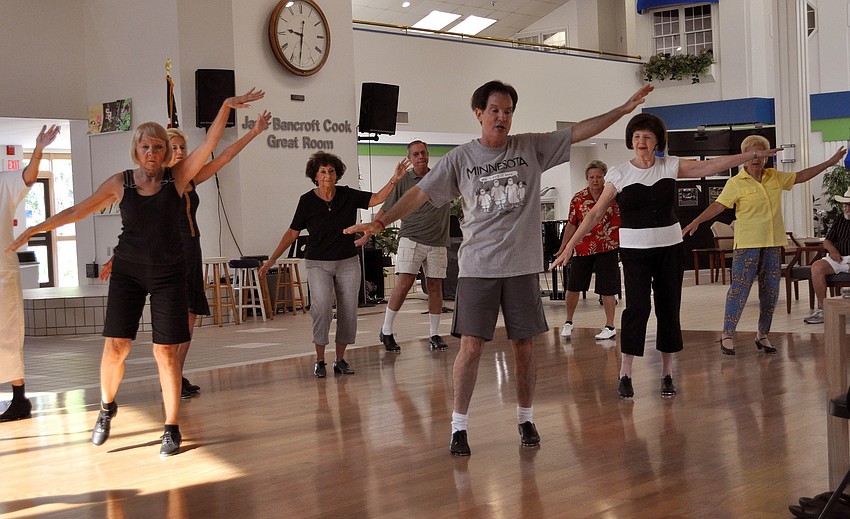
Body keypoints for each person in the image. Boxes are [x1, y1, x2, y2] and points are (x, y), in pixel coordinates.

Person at [346, 80, 655, 456]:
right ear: (479, 113)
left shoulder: (530, 146)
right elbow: (419, 194)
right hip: (479, 268)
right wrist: (381, 221)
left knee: (525, 346)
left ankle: (525, 417)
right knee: (472, 347)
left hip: (521, 268)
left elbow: (577, 132)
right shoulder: (460, 158)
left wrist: (622, 111)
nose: (502, 118)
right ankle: (459, 425)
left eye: (508, 111)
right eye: (495, 110)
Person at [6, 89, 265, 456]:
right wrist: (34, 229)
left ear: (165, 153)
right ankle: (105, 409)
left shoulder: (177, 180)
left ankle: (171, 428)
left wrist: (223, 107)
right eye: (145, 147)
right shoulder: (120, 182)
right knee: (117, 346)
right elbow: (79, 211)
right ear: (136, 151)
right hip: (128, 272)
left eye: (158, 148)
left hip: (168, 273)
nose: (152, 154)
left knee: (166, 353)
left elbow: (211, 146)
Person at [554, 114, 782, 400]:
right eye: (637, 137)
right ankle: (625, 372)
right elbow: (595, 213)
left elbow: (711, 165)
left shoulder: (670, 166)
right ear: (631, 141)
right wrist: (569, 247)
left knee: (668, 308)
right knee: (636, 308)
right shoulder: (619, 173)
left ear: (656, 141)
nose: (641, 142)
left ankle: (668, 373)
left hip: (669, 248)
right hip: (635, 251)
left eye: (647, 137)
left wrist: (751, 154)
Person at [101, 111, 272, 399]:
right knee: (178, 318)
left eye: (182, 147)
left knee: (190, 318)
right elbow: (138, 226)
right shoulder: (154, 184)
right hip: (171, 252)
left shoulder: (186, 180)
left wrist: (254, 133)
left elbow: (224, 157)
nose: (179, 152)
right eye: (175, 147)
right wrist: (119, 257)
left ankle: (175, 375)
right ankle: (172, 379)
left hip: (192, 249)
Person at [683, 137, 846, 351]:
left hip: (772, 243)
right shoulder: (736, 183)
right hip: (747, 245)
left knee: (770, 292)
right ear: (745, 157)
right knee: (739, 290)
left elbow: (801, 176)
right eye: (753, 155)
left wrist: (829, 162)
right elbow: (718, 206)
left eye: (761, 155)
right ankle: (727, 334)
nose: (757, 159)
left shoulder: (775, 177)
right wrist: (697, 220)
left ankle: (762, 334)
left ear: (767, 157)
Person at [258, 152, 408, 379]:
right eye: (323, 172)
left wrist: (394, 179)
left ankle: (339, 359)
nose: (327, 175)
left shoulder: (347, 195)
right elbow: (292, 232)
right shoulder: (307, 201)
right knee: (323, 308)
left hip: (347, 261)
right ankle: (320, 360)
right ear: (315, 176)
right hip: (318, 262)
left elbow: (376, 198)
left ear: (337, 174)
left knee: (348, 310)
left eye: (331, 171)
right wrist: (272, 259)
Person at [0, 125, 60, 422]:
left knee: (9, 335)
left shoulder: (3, 184)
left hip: (2, 273)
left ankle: (20, 399)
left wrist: (38, 150)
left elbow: (29, 176)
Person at [371, 140, 451, 353]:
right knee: (404, 283)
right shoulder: (405, 180)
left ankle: (434, 334)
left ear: (428, 154)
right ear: (409, 158)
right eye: (415, 154)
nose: (420, 157)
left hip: (438, 240)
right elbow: (387, 209)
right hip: (411, 238)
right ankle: (386, 331)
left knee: (435, 286)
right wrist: (371, 228)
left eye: (423, 153)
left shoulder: (440, 178)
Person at [554, 159, 620, 341]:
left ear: (604, 178)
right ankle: (568, 321)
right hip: (583, 248)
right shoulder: (578, 198)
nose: (595, 180)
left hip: (607, 247)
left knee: (607, 288)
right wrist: (564, 247)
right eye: (592, 177)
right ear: (587, 178)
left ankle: (610, 325)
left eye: (599, 177)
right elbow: (571, 225)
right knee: (573, 285)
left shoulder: (614, 196)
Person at [804, 189, 850, 324]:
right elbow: (827, 240)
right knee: (817, 267)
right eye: (845, 204)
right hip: (838, 257)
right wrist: (832, 250)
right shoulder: (840, 219)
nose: (846, 207)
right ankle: (822, 310)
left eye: (848, 204)